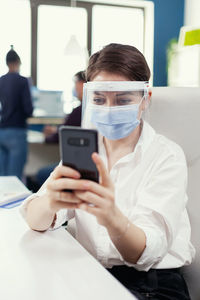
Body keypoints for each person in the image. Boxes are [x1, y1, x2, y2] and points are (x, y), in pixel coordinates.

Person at [21, 43, 195, 300]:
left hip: (154, 285)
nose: (110, 109)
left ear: (145, 99)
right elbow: (35, 219)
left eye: (123, 100)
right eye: (99, 99)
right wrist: (49, 202)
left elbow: (145, 253)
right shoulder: (86, 151)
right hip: (93, 275)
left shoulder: (167, 156)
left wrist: (112, 217)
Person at [34, 71, 86, 188]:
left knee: (41, 174)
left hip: (78, 164)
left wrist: (48, 137)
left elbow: (61, 135)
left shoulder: (79, 111)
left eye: (76, 84)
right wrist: (55, 131)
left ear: (84, 85)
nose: (75, 88)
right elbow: (68, 129)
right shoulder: (83, 110)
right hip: (81, 161)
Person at [0, 46, 33, 179]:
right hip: (16, 132)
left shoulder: (0, 81)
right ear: (18, 62)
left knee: (2, 178)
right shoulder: (23, 81)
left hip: (1, 132)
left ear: (7, 63)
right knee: (15, 178)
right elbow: (28, 110)